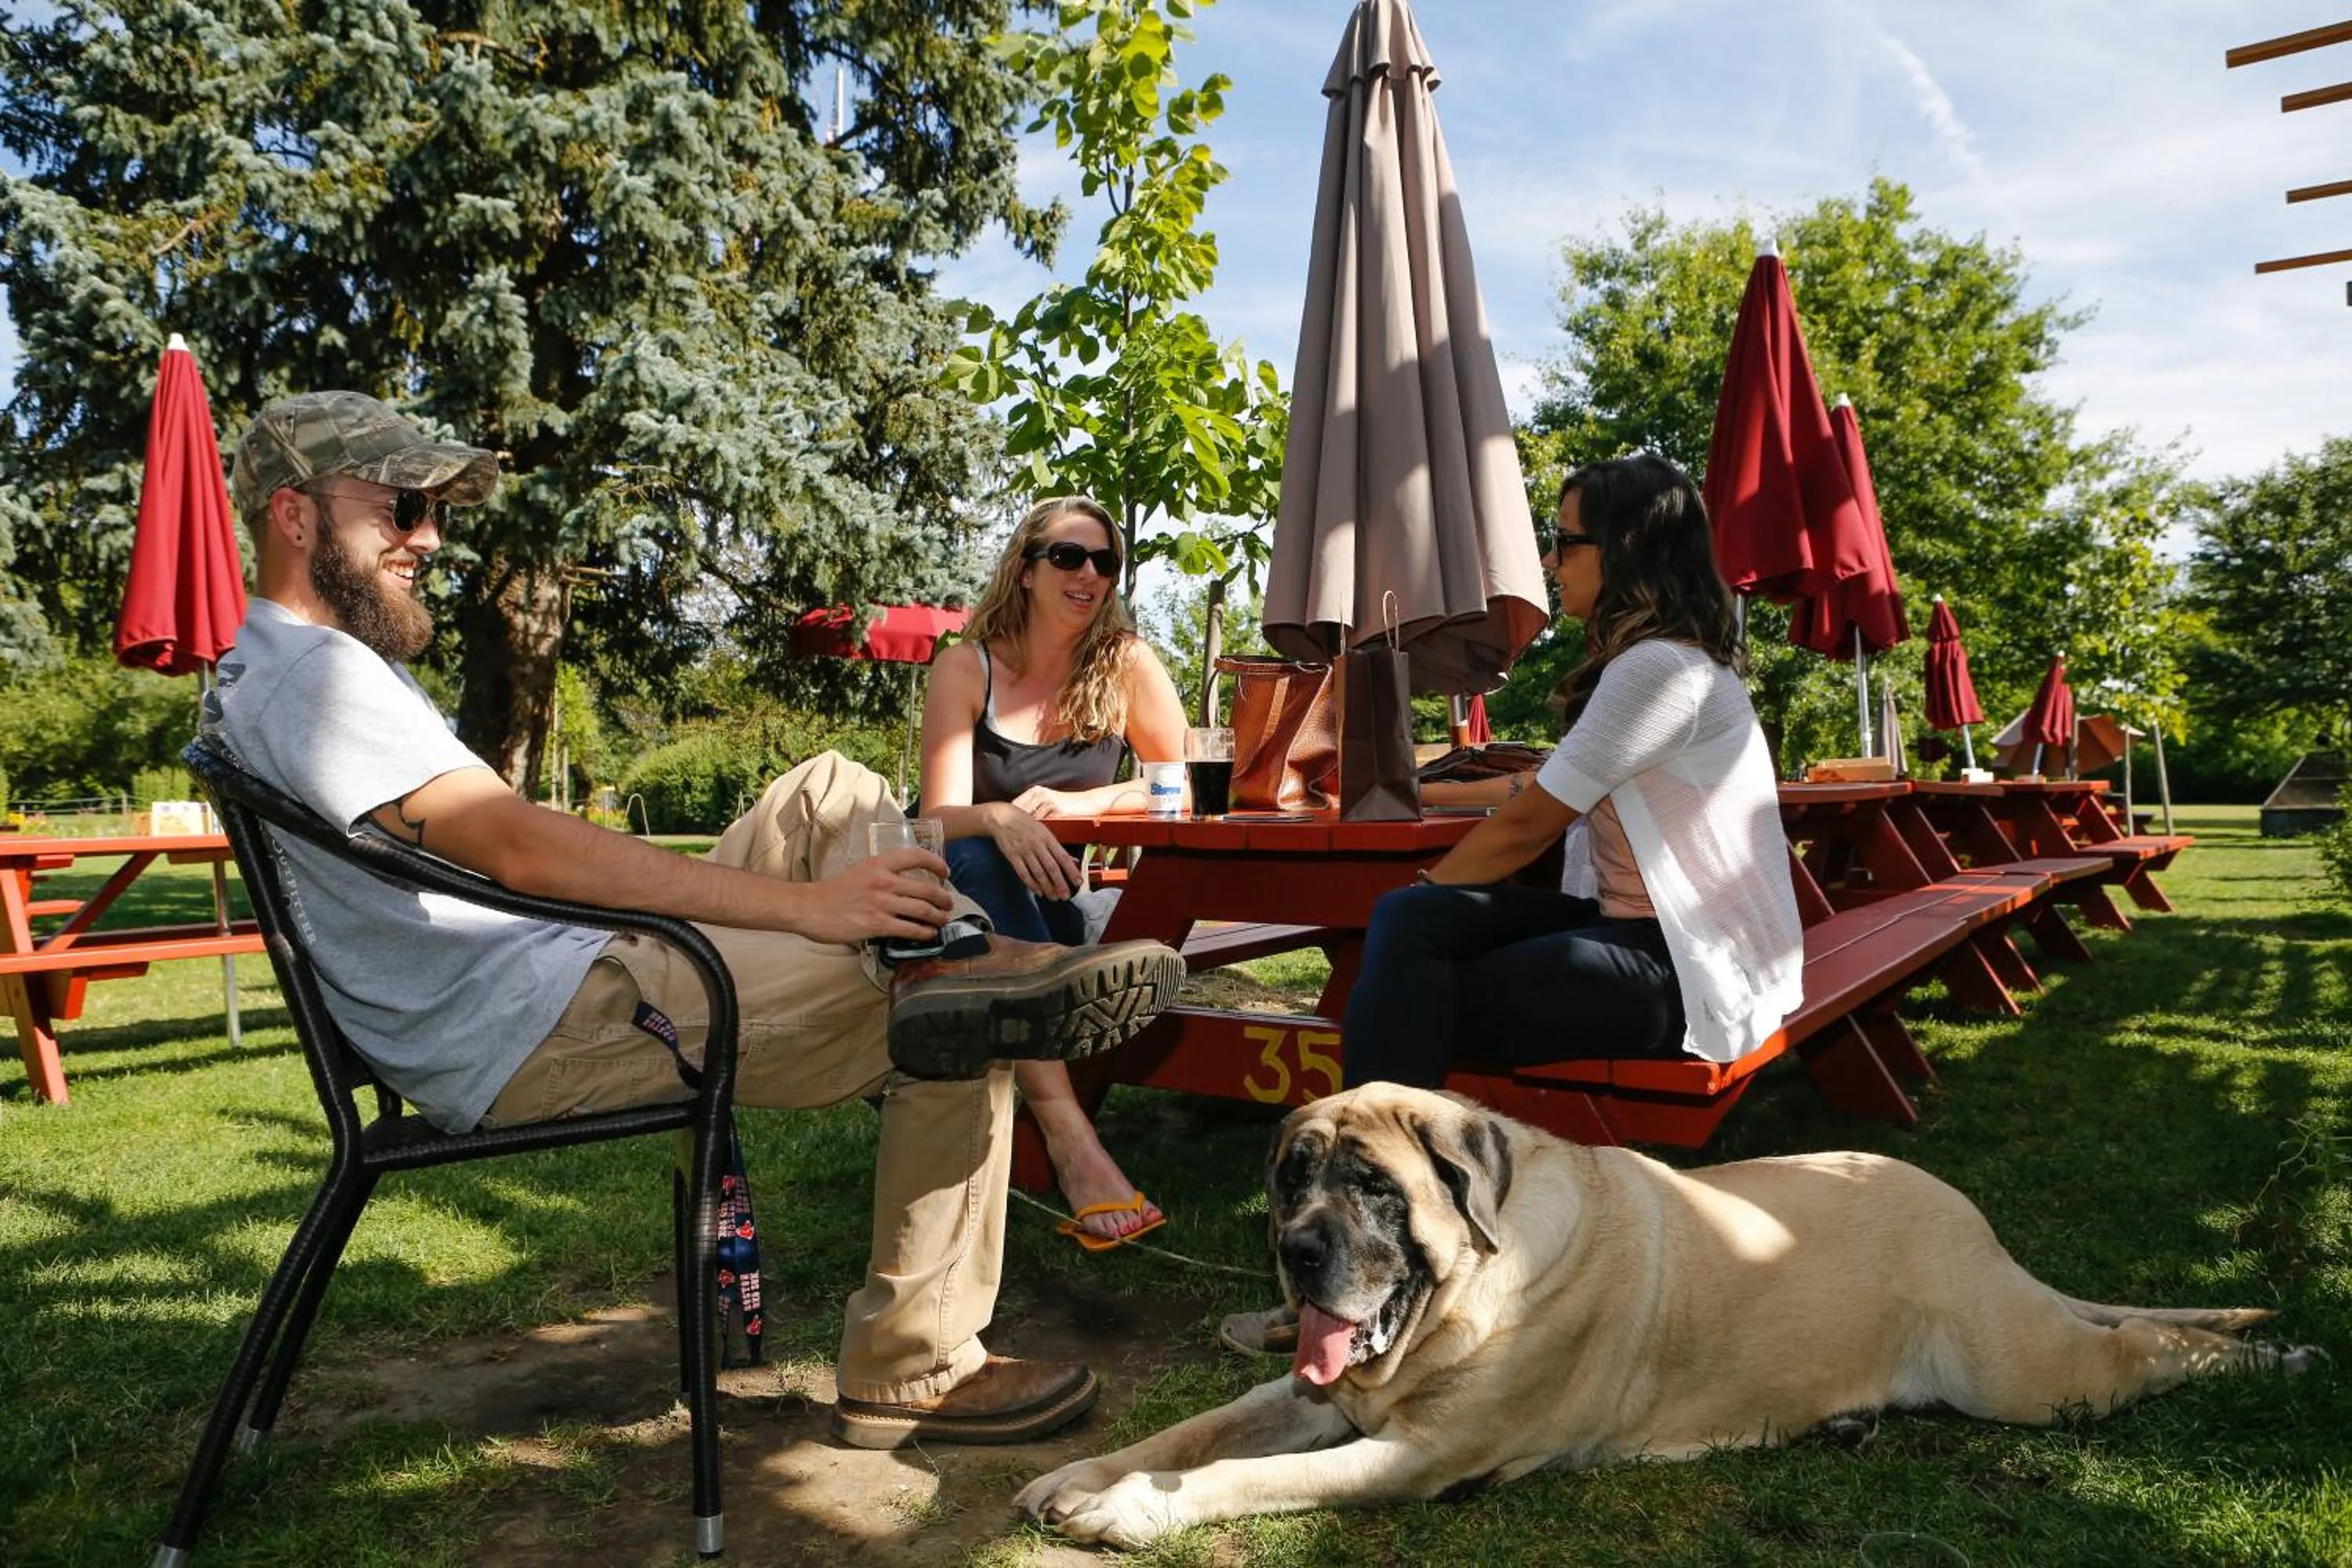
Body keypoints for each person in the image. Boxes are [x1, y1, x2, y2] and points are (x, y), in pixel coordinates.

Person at [203, 391, 1189, 1450]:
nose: (429, 536)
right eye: (401, 508)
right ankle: (915, 1360)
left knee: (829, 786)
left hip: (549, 974)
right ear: (294, 518)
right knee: (968, 1020)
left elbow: (503, 851)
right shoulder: (314, 677)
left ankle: (946, 945)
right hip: (538, 1019)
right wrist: (811, 908)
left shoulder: (296, 670)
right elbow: (517, 845)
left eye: (432, 510)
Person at [1222, 452, 1803, 1353]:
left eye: (1564, 540)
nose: (1553, 558)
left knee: (1410, 970)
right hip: (1633, 932)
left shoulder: (1658, 671)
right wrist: (1416, 790)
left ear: (1624, 550)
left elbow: (1531, 822)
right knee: (1408, 931)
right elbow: (1538, 786)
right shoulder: (1663, 667)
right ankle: (1373, 1210)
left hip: (1682, 970)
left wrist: (1425, 876)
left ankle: (1367, 1240)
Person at [916, 497, 1190, 1247]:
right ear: (1027, 569)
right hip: (955, 895)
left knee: (1025, 894)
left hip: (1055, 898)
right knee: (979, 849)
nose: (1089, 575)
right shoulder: (966, 667)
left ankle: (1049, 1015)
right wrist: (1001, 816)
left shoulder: (1125, 662)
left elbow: (1179, 786)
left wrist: (1091, 797)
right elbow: (935, 817)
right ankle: (1074, 1140)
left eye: (1105, 562)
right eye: (1069, 557)